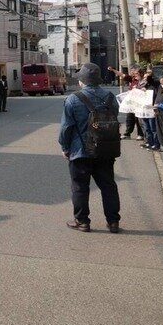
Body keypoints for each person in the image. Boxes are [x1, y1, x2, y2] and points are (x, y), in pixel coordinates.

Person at [58, 63, 121, 234]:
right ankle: (113, 221)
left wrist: (65, 147)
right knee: (108, 186)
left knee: (80, 187)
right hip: (105, 149)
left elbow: (66, 128)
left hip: (80, 151)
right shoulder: (110, 97)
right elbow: (114, 118)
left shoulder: (73, 99)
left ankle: (82, 221)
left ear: (82, 81)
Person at [108, 65, 144, 140]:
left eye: (133, 71)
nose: (131, 72)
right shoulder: (133, 79)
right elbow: (122, 75)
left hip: (139, 103)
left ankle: (140, 134)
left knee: (138, 118)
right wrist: (113, 70)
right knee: (129, 118)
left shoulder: (142, 81)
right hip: (131, 103)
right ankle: (127, 133)